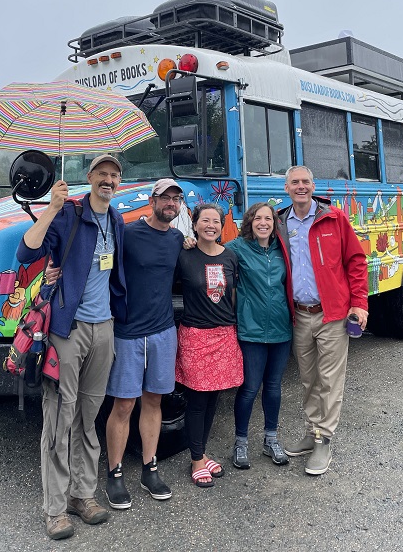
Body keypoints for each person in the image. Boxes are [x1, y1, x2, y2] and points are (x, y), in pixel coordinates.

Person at [16, 154, 127, 540]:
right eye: (102, 174)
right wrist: (51, 208)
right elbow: (26, 252)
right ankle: (55, 508)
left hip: (104, 329)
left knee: (88, 416)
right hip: (69, 329)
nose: (108, 180)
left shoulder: (116, 220)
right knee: (60, 418)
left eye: (114, 175)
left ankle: (83, 495)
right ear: (90, 177)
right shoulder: (69, 214)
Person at [277, 165, 368, 475]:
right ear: (286, 188)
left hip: (332, 314)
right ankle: (312, 431)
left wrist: (360, 304)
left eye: (305, 181)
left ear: (313, 186)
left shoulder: (334, 218)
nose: (300, 186)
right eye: (295, 182)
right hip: (300, 316)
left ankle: (324, 440)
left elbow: (355, 261)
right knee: (309, 379)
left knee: (329, 380)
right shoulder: (279, 223)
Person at [104, 179, 185, 509]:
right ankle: (114, 475)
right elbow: (101, 266)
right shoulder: (128, 233)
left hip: (164, 332)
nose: (170, 203)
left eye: (175, 199)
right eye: (165, 197)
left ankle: (149, 469)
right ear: (152, 200)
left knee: (154, 401)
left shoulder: (179, 239)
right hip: (128, 333)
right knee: (123, 406)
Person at [175, 203, 243, 487]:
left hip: (224, 334)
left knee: (215, 397)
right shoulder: (184, 255)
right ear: (195, 224)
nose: (211, 225)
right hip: (195, 336)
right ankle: (196, 459)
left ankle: (201, 455)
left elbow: (235, 294)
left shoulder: (230, 257)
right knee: (198, 400)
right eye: (205, 221)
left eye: (216, 221)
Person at [225, 202, 294, 470]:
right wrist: (186, 243)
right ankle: (240, 442)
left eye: (268, 218)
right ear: (250, 222)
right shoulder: (237, 248)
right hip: (251, 330)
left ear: (275, 223)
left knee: (274, 387)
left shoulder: (282, 251)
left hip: (281, 328)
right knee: (250, 388)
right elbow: (211, 253)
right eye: (258, 218)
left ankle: (271, 439)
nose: (263, 223)